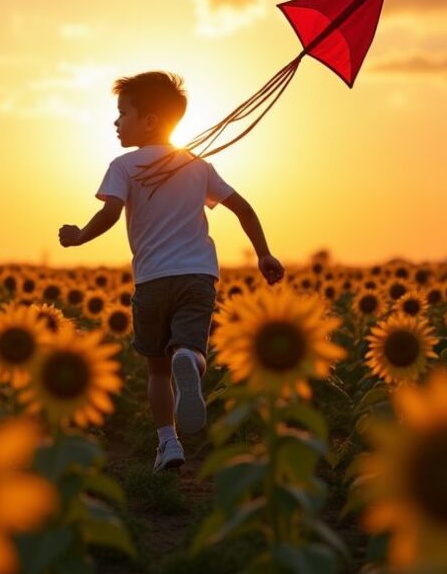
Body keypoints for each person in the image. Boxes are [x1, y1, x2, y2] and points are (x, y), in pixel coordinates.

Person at [59, 71, 285, 472]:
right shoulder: (197, 166)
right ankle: (191, 359)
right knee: (190, 348)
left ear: (148, 121)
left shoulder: (124, 166)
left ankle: (169, 443)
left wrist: (78, 237)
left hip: (151, 280)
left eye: (122, 113)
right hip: (197, 276)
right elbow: (243, 208)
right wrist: (263, 254)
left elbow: (110, 213)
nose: (115, 122)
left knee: (157, 370)